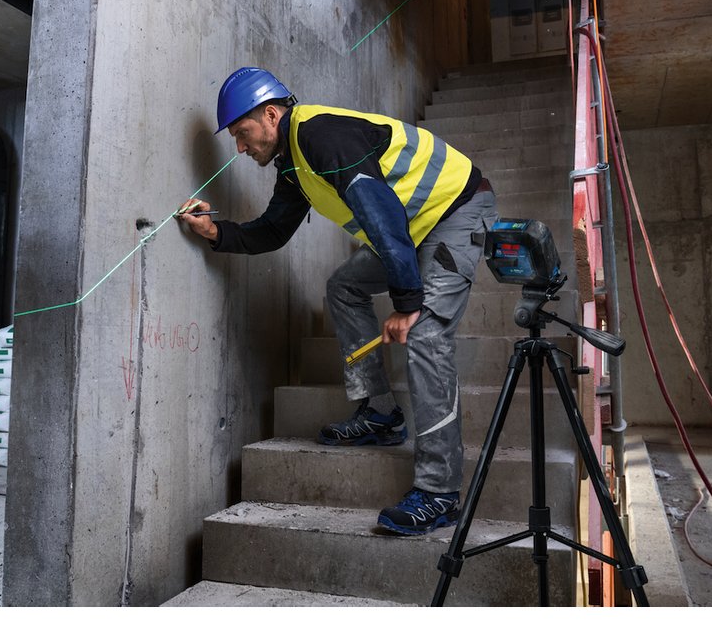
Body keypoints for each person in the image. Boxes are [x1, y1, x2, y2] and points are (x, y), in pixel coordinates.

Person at [179, 67, 497, 535]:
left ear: (271, 115)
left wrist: (408, 302)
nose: (241, 149)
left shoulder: (321, 136)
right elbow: (272, 231)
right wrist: (216, 233)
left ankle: (439, 492)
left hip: (457, 211)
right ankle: (382, 414)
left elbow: (382, 213)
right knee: (343, 287)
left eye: (243, 134)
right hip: (413, 230)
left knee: (427, 334)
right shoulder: (294, 164)